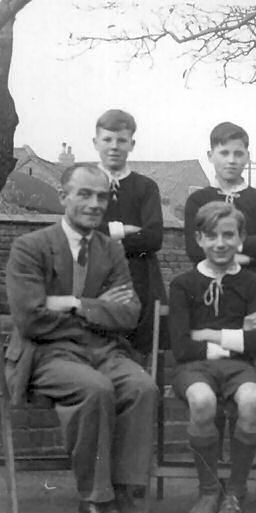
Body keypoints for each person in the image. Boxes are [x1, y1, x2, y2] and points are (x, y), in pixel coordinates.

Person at [4, 164, 158, 513]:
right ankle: (96, 498)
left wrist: (73, 303)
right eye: (84, 194)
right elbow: (31, 319)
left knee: (142, 387)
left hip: (103, 350)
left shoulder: (111, 250)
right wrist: (98, 307)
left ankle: (125, 491)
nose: (94, 204)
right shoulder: (30, 247)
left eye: (102, 196)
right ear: (63, 197)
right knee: (95, 388)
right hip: (47, 352)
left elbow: (129, 314)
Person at [168, 201, 256, 513]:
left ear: (241, 238)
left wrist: (208, 333)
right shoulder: (184, 284)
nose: (220, 243)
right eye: (211, 236)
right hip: (194, 368)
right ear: (199, 239)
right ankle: (209, 491)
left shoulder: (253, 284)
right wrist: (237, 335)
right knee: (202, 401)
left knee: (254, 400)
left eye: (229, 235)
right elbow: (182, 346)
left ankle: (235, 494)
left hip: (240, 369)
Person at [94, 108, 166, 358]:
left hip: (139, 275)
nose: (114, 146)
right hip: (94, 271)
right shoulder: (84, 182)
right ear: (95, 142)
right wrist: (122, 230)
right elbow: (80, 232)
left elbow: (153, 238)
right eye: (107, 139)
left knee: (137, 348)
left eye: (121, 140)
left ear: (131, 144)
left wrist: (102, 235)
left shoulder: (145, 187)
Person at [183, 121, 256, 274]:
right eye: (224, 153)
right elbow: (194, 250)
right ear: (210, 156)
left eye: (238, 154)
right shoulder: (198, 200)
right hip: (208, 283)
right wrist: (247, 255)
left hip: (250, 283)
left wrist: (217, 244)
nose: (231, 160)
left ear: (247, 157)